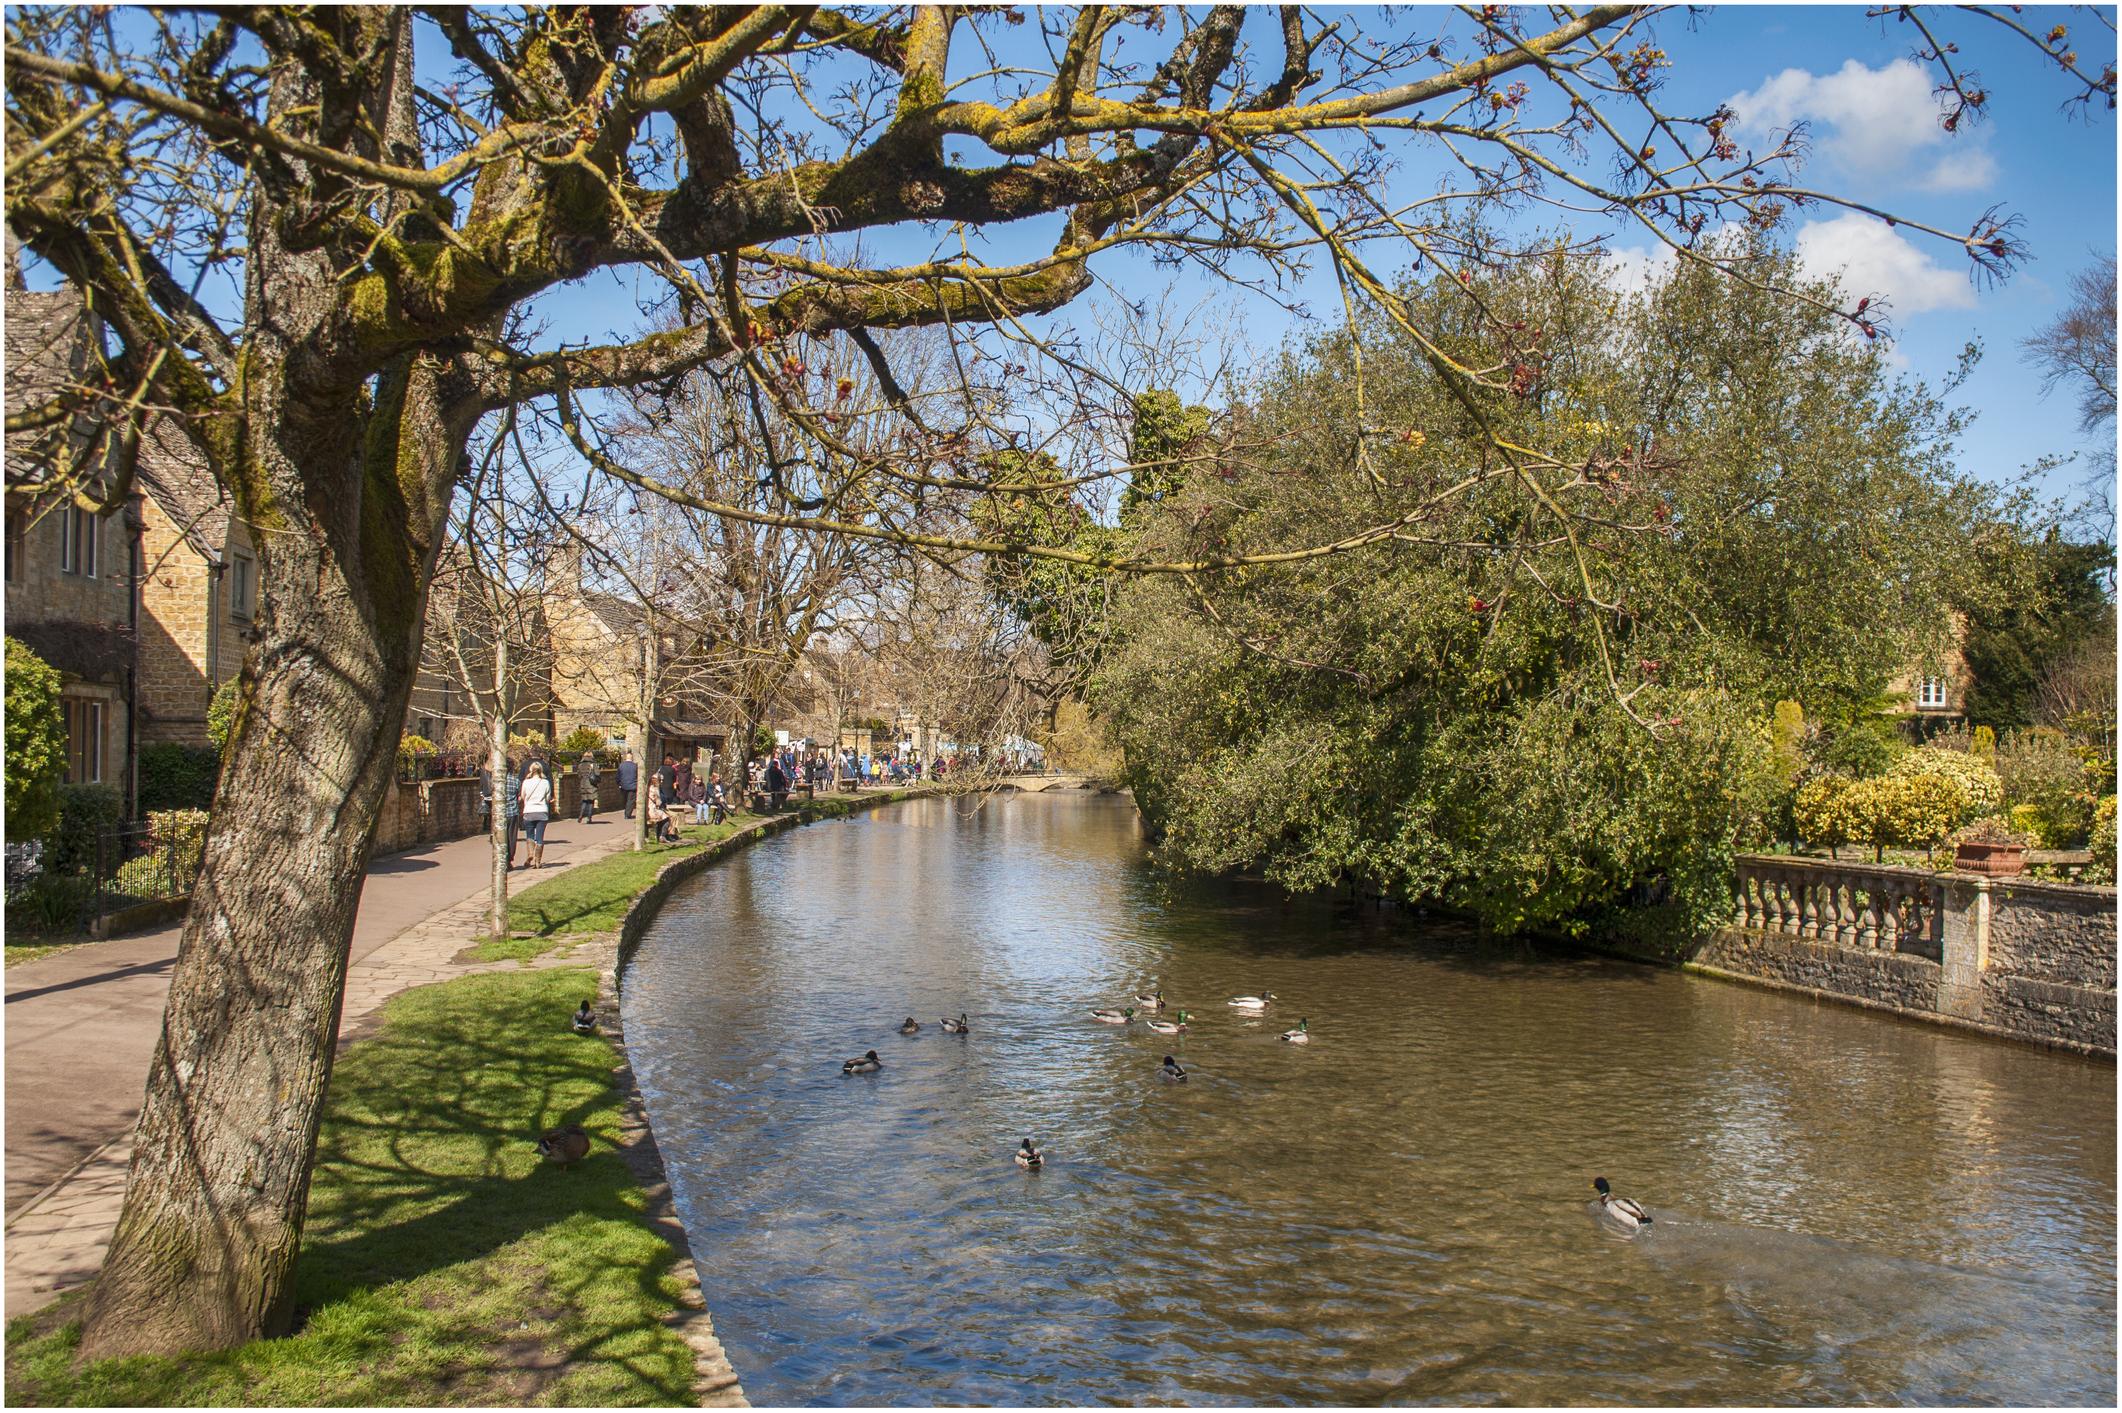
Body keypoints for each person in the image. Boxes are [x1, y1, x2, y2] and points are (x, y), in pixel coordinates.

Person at [518, 759, 553, 869]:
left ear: (531, 770)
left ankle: (530, 854)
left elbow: (523, 796)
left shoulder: (526, 782)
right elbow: (548, 798)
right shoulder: (545, 782)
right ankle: (538, 861)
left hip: (529, 811)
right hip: (542, 811)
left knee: (530, 835)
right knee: (540, 837)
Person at [577, 750, 600, 823]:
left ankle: (581, 815)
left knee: (584, 801)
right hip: (591, 784)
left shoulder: (580, 764)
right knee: (590, 801)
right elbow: (597, 774)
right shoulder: (592, 764)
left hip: (583, 784)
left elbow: (579, 775)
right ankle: (589, 818)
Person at [618, 751, 638, 819]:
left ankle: (626, 812)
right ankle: (627, 814)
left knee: (625, 800)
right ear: (632, 758)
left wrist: (619, 783)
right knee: (631, 801)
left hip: (623, 786)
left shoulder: (621, 765)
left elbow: (618, 776)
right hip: (632, 786)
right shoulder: (635, 766)